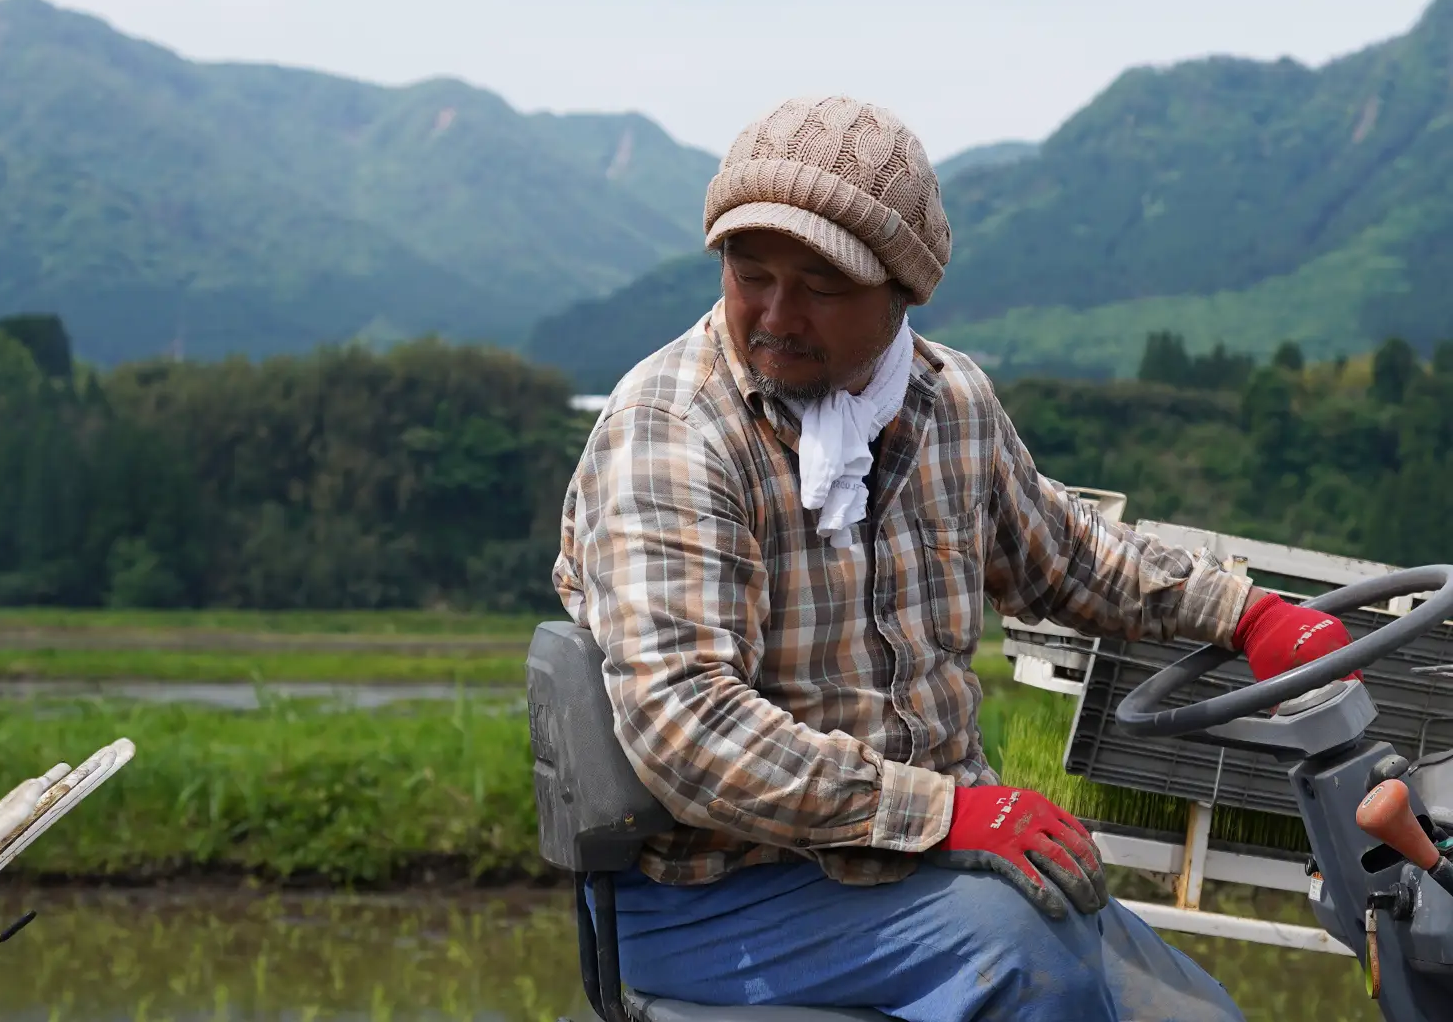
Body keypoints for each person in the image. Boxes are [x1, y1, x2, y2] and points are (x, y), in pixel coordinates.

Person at [551, 95, 1351, 1022]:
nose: (774, 314)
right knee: (1027, 969)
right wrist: (943, 814)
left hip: (930, 860)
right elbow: (686, 725)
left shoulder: (945, 399)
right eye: (750, 271)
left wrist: (1248, 616)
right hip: (719, 892)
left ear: (902, 292)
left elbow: (1069, 554)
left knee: (1201, 1016)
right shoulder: (673, 435)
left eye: (820, 286)